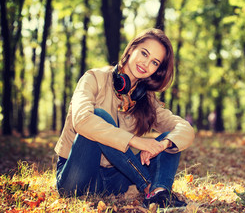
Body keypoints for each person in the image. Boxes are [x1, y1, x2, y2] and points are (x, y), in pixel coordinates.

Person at [54, 28, 195, 209]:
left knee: (169, 138)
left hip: (116, 181)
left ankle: (159, 195)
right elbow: (82, 120)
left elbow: (184, 128)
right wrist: (136, 142)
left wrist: (163, 144)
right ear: (131, 49)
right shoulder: (93, 78)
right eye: (144, 53)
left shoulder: (146, 99)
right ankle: (148, 185)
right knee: (99, 116)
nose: (146, 63)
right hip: (77, 178)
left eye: (154, 62)